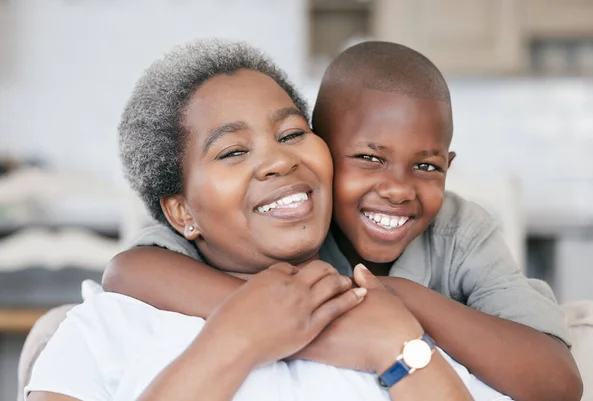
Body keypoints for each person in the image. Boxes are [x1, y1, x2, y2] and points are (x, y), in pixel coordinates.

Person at [103, 41, 582, 401]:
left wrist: (402, 299)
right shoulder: (288, 224)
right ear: (324, 151)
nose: (397, 189)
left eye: (427, 166)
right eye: (369, 159)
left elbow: (558, 381)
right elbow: (130, 270)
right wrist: (286, 320)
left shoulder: (459, 231)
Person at [26, 39, 480, 401]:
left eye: (292, 134)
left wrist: (398, 350)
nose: (279, 161)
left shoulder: (401, 323)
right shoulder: (107, 329)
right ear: (182, 212)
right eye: (233, 151)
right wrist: (236, 339)